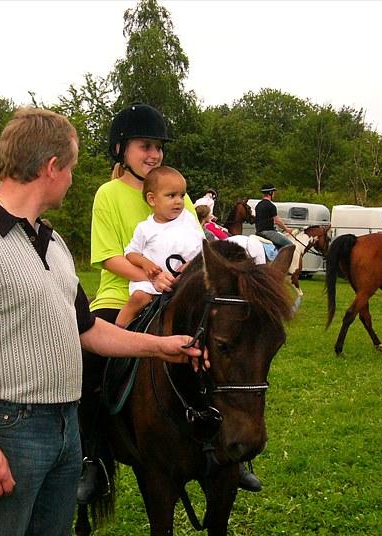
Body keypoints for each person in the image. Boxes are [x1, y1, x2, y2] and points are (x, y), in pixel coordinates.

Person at [0, 108, 204, 536]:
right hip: (10, 426)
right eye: (70, 168)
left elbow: (87, 329)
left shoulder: (51, 242)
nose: (72, 178)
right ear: (52, 168)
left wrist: (160, 346)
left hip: (66, 425)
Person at [79, 104, 260, 502]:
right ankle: (91, 456)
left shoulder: (179, 194)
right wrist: (150, 275)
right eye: (145, 146)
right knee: (89, 363)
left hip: (179, 294)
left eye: (158, 147)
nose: (154, 154)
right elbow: (109, 256)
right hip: (123, 295)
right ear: (120, 149)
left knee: (228, 351)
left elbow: (199, 249)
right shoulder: (108, 196)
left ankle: (235, 452)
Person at [115, 166, 204, 328]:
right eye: (171, 195)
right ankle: (118, 331)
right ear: (152, 199)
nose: (178, 201)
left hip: (184, 281)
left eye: (181, 196)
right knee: (138, 298)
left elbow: (203, 247)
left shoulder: (188, 219)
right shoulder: (146, 228)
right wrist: (145, 263)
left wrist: (193, 264)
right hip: (151, 282)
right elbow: (131, 253)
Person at [254, 184, 295, 250]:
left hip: (258, 232)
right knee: (290, 245)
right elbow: (277, 221)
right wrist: (287, 229)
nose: (274, 194)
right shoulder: (271, 206)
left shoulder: (258, 205)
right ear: (270, 192)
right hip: (268, 233)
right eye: (273, 192)